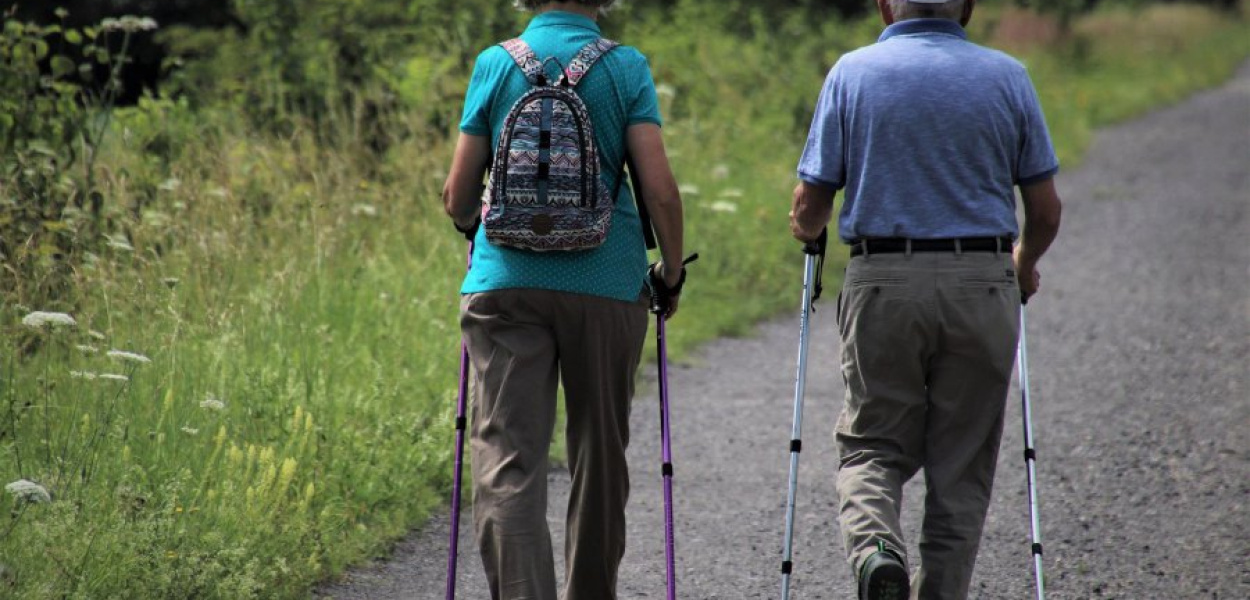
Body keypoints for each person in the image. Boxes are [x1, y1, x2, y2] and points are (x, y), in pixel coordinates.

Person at [788, 1, 1063, 598]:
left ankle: (877, 548)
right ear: (966, 6)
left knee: (871, 446)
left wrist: (808, 234)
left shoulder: (852, 72)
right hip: (982, 281)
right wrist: (1022, 264)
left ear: (886, 4)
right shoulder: (1007, 75)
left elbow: (811, 206)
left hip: (884, 281)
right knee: (960, 469)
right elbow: (1044, 212)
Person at [441, 1, 686, 598]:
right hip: (605, 283)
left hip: (506, 285)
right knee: (599, 456)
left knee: (508, 459)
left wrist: (483, 227)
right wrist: (670, 273)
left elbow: (457, 196)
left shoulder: (496, 64)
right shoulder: (625, 67)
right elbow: (659, 191)